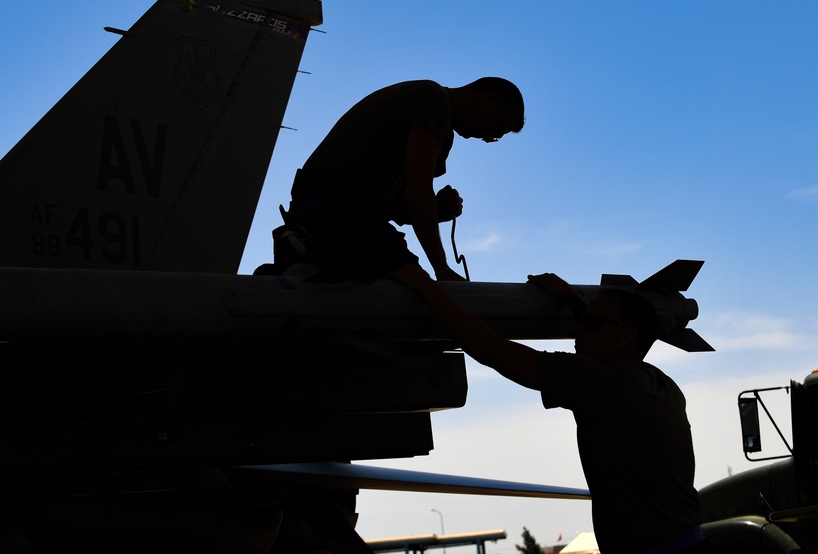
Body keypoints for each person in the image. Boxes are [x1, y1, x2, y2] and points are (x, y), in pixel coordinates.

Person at [390, 263, 707, 554]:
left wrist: (426, 287)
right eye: (581, 321)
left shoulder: (601, 382)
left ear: (627, 336)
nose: (578, 329)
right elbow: (607, 340)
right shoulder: (657, 383)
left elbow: (492, 349)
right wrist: (573, 299)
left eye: (591, 324)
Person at [282, 78, 524, 282]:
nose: (490, 138)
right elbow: (418, 192)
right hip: (335, 209)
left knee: (407, 289)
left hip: (344, 213)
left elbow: (398, 207)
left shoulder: (444, 138)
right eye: (498, 129)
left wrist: (438, 211)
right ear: (489, 99)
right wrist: (442, 269)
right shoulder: (434, 99)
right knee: (416, 290)